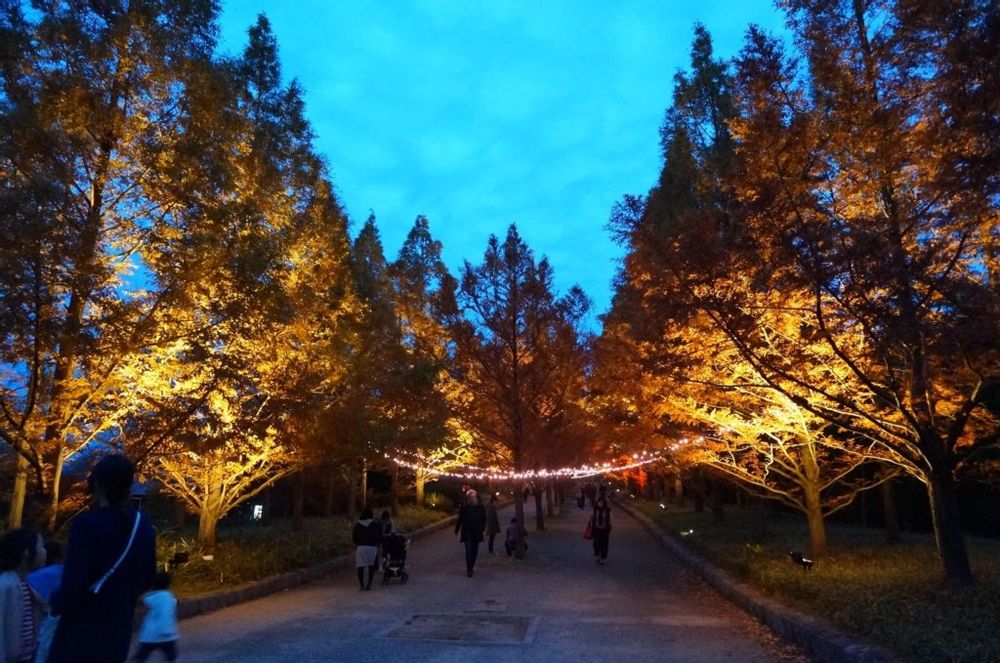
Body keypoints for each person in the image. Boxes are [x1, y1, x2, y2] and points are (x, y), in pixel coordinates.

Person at [47, 454, 157, 663]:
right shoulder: (142, 526)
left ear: (98, 485)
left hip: (81, 629)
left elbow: (73, 584)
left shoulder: (86, 525)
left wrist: (55, 601)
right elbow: (147, 577)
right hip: (118, 627)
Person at [1, 528, 46, 663]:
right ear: (26, 552)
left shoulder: (25, 585)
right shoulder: (6, 586)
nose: (45, 551)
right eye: (41, 546)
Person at [132, 571, 178, 662]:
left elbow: (141, 600)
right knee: (171, 656)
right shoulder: (170, 597)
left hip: (151, 634)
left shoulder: (151, 597)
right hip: (167, 634)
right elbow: (175, 604)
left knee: (142, 655)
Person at [454, 490, 486, 577]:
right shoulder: (465, 508)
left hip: (477, 531)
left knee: (475, 550)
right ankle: (469, 569)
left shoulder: (480, 507)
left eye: (473, 496)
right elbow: (460, 519)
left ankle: (471, 565)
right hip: (467, 531)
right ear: (468, 498)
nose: (472, 498)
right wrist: (457, 529)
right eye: (470, 497)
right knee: (469, 550)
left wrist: (483, 528)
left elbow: (484, 518)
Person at [352, 507, 382, 590]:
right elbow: (379, 536)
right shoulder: (375, 524)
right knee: (371, 566)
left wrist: (358, 543)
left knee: (360, 566)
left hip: (361, 547)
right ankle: (369, 584)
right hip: (372, 547)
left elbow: (354, 538)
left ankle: (361, 585)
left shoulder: (357, 525)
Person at [592, 488, 612, 565]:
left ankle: (603, 557)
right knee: (596, 543)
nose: (600, 503)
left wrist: (610, 525)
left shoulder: (607, 510)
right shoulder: (595, 509)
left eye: (602, 502)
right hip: (596, 529)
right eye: (599, 502)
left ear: (604, 503)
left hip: (604, 529)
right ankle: (597, 554)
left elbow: (609, 518)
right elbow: (593, 517)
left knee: (604, 544)